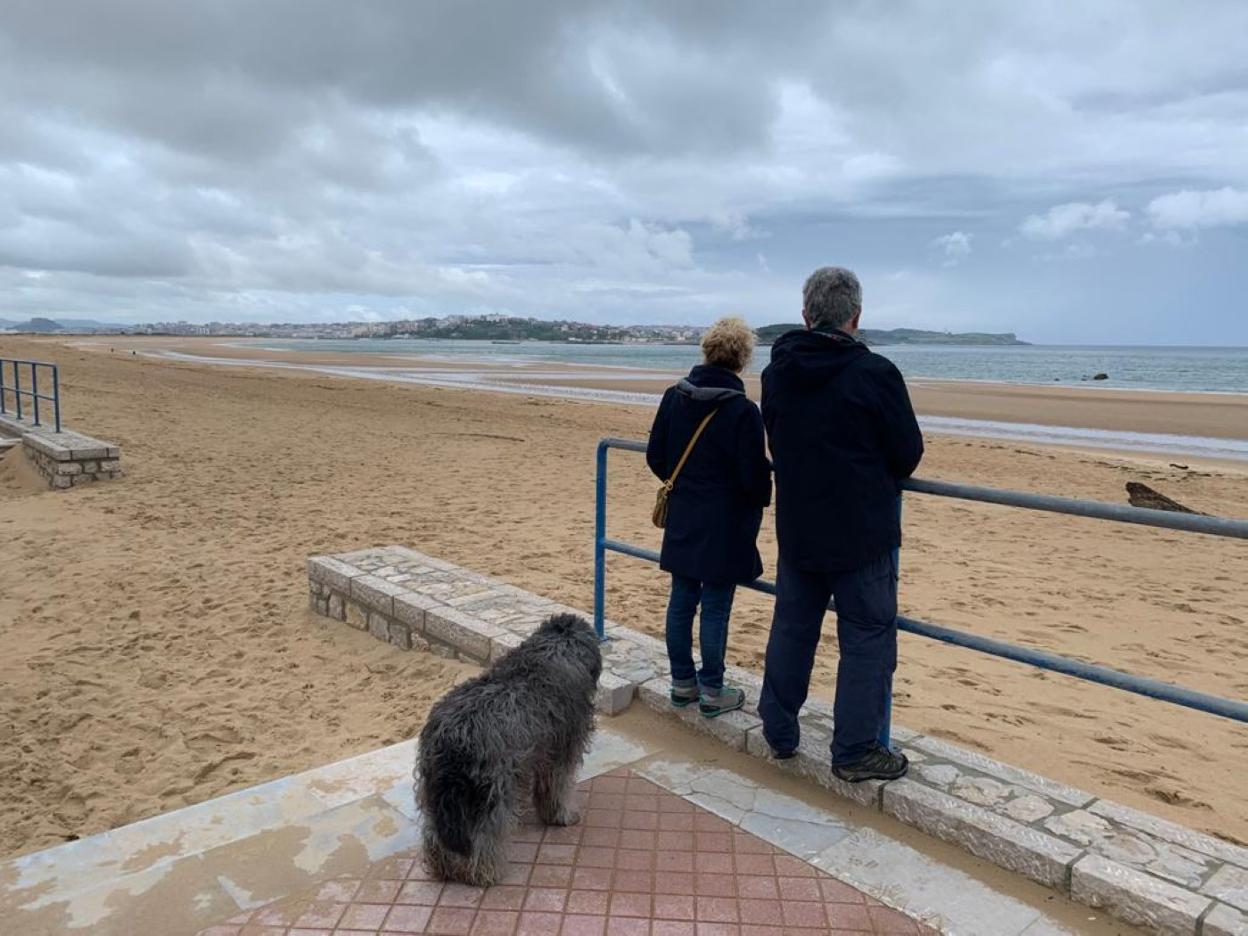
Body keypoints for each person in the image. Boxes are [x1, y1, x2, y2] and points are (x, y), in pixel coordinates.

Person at [758, 267, 924, 782]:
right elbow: (907, 453)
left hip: (801, 525)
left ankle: (779, 730)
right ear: (856, 317)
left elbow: (778, 440)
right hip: (862, 531)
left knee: (793, 628)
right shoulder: (875, 374)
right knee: (868, 637)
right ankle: (853, 750)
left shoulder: (777, 372)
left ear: (806, 314)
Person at [646, 317, 772, 717]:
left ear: (706, 350)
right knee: (715, 605)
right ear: (742, 359)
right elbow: (753, 479)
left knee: (682, 600)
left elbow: (656, 455)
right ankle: (712, 688)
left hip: (685, 514)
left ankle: (683, 683)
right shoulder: (742, 411)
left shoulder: (674, 396)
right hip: (726, 524)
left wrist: (683, 484)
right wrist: (759, 496)